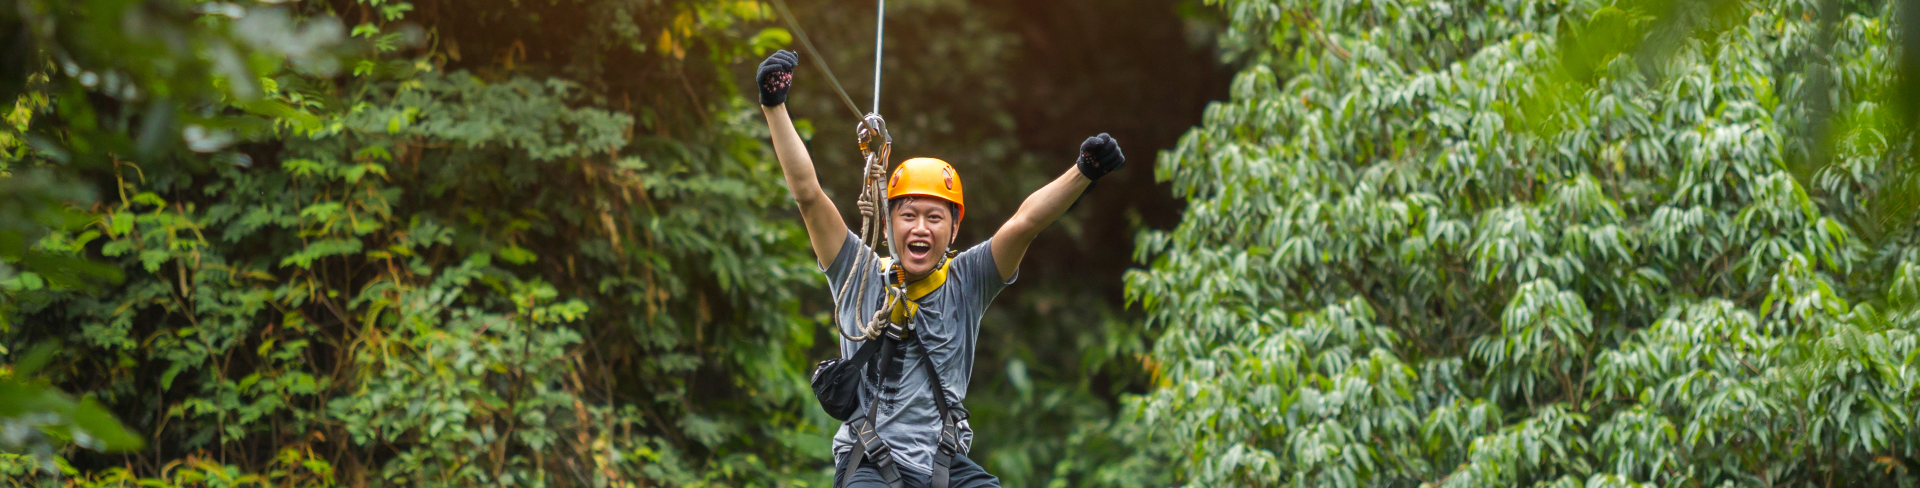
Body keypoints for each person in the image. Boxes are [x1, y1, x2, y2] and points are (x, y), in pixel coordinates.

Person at [755, 49, 1127, 488]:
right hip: (869, 463)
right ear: (888, 221)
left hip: (943, 464)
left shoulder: (969, 280)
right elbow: (808, 195)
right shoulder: (856, 271)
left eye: (935, 218)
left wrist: (1083, 172)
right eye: (909, 215)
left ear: (954, 230)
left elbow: (1026, 223)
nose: (921, 228)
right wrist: (774, 107)